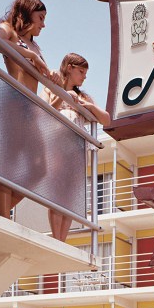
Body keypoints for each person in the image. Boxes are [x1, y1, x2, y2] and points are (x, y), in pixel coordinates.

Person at [0, 0, 56, 219]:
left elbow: (45, 75)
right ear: (28, 13)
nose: (43, 24)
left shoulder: (36, 45)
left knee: (40, 168)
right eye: (41, 18)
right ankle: (2, 215)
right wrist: (29, 54)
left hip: (30, 108)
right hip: (13, 102)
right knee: (8, 163)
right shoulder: (8, 28)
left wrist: (54, 77)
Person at [42, 53, 110, 241]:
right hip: (56, 145)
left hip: (76, 149)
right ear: (70, 67)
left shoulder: (83, 95)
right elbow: (43, 110)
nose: (84, 77)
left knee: (70, 196)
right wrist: (63, 96)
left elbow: (106, 118)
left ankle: (62, 240)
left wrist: (84, 104)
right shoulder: (50, 86)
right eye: (81, 72)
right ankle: (57, 238)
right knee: (57, 194)